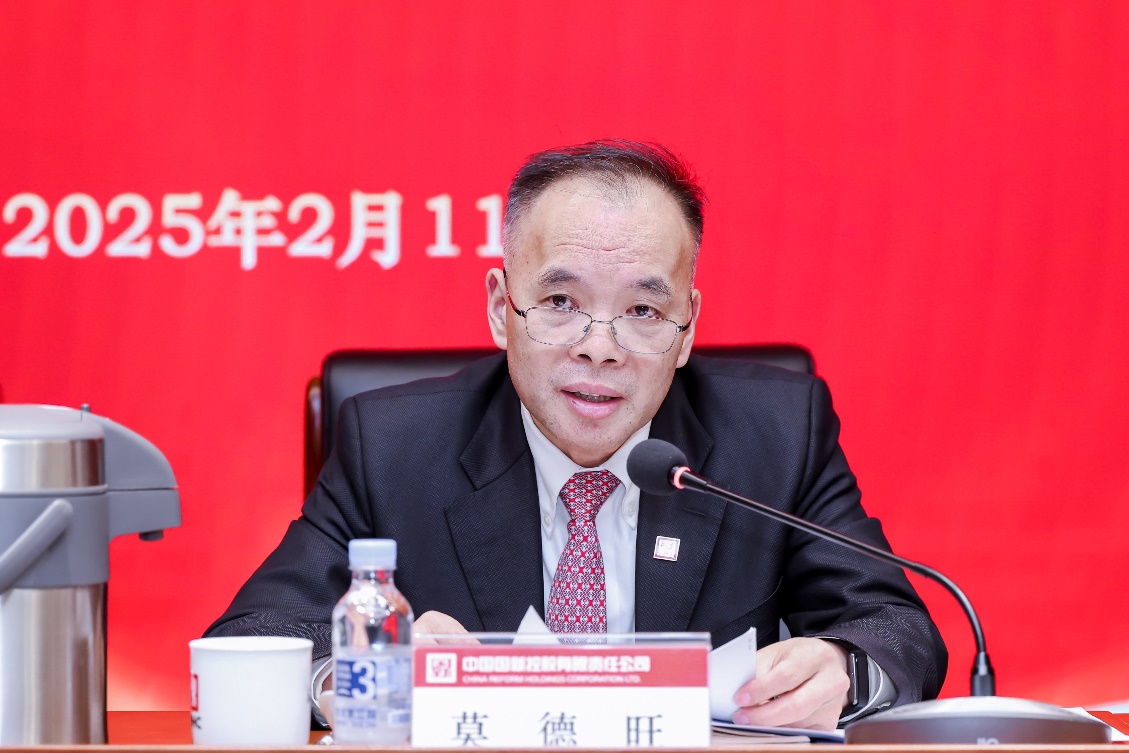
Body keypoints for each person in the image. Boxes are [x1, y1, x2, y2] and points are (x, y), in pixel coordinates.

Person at [206, 140, 946, 730]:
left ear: (687, 327)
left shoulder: (775, 433)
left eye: (643, 312)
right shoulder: (394, 444)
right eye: (560, 301)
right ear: (500, 307)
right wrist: (365, 672)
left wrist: (843, 670)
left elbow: (896, 629)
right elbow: (251, 637)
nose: (599, 348)